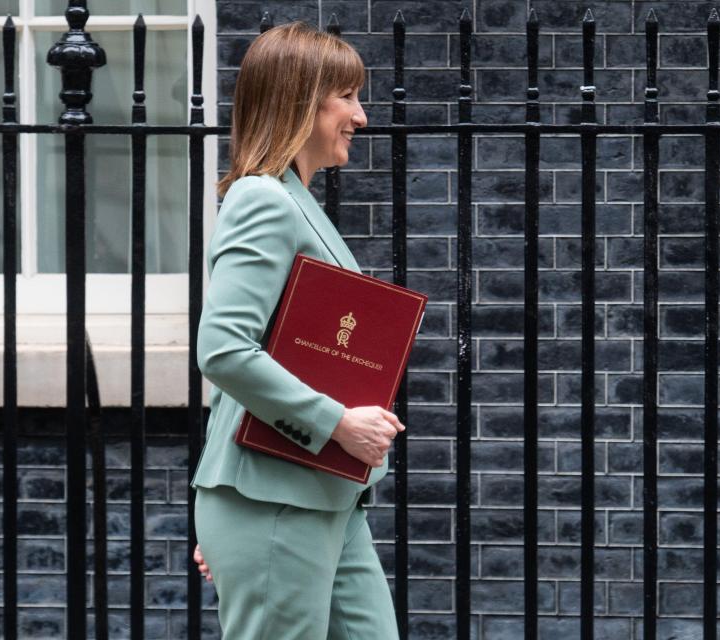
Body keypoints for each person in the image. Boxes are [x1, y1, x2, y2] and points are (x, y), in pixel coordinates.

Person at [189, 21, 404, 640]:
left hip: (322, 499)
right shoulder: (264, 200)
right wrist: (339, 421)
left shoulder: (294, 200)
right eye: (348, 98)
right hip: (277, 501)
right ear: (302, 101)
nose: (361, 118)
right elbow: (224, 350)